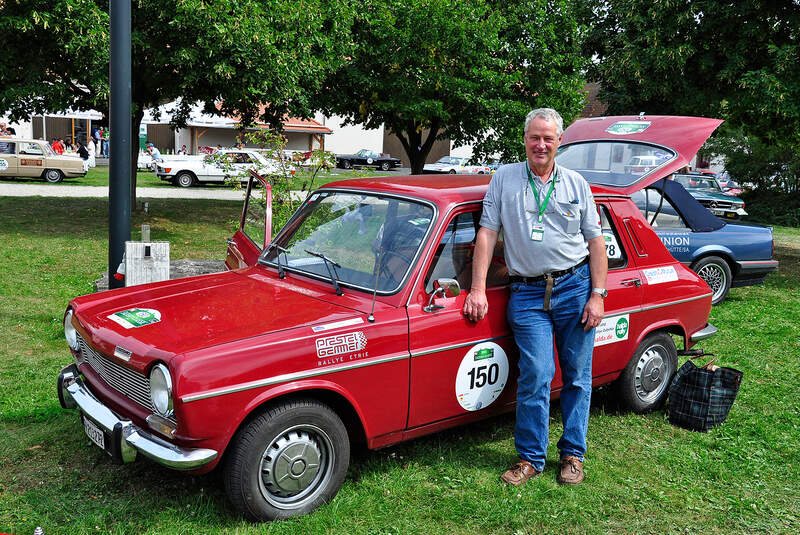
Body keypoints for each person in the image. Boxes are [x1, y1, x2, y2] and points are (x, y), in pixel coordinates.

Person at [463, 108, 608, 487]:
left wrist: (598, 295)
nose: (540, 144)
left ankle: (573, 455)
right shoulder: (505, 178)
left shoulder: (577, 183)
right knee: (537, 374)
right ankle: (530, 458)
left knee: (578, 376)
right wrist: (477, 288)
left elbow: (596, 243)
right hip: (526, 293)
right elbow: (487, 234)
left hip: (574, 287)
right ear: (524, 139)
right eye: (534, 137)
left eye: (548, 138)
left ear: (560, 141)